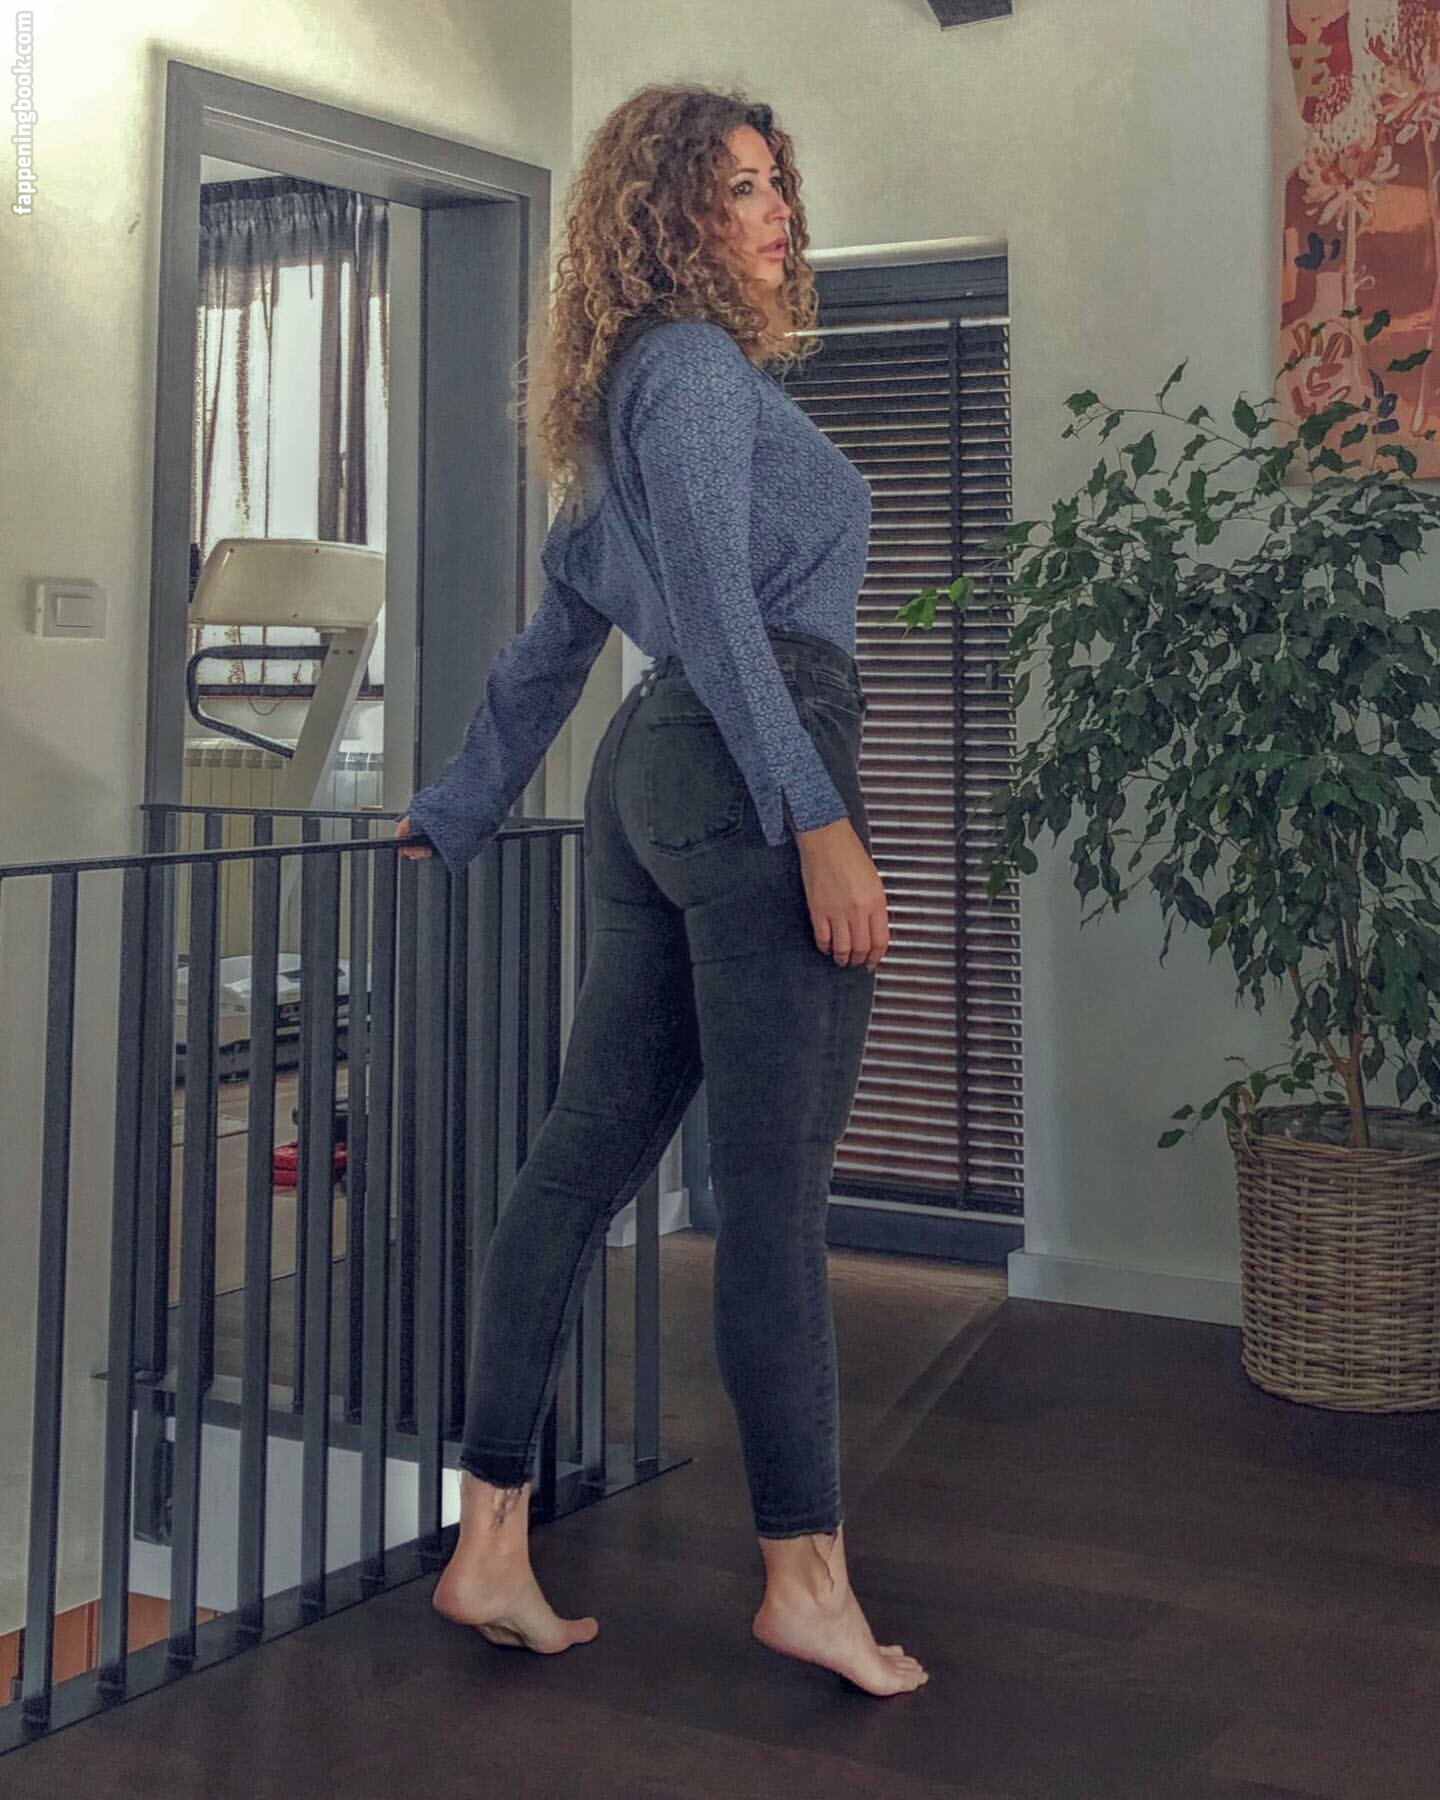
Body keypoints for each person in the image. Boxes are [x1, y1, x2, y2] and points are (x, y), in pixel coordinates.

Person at [395, 83, 926, 1698]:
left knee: (575, 1170)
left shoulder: (623, 409)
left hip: (655, 781)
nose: (778, 214)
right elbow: (715, 602)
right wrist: (814, 813)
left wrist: (456, 811)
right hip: (750, 763)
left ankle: (491, 1543)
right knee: (771, 1197)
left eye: (779, 185)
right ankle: (806, 1581)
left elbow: (553, 649)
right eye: (742, 188)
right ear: (670, 213)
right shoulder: (691, 371)